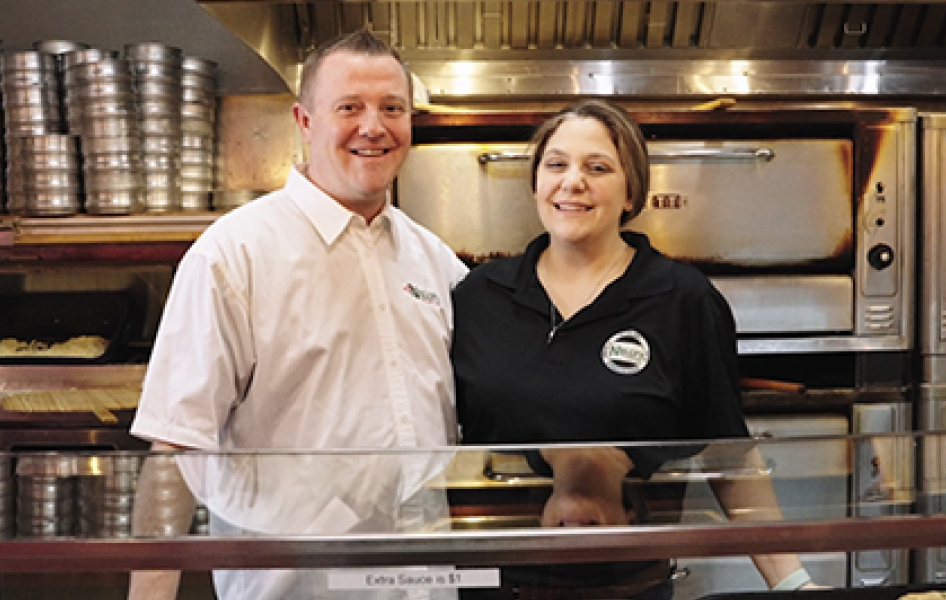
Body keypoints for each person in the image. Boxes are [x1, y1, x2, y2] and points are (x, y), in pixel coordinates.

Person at [127, 28, 468, 600]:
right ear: (304, 122)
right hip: (290, 588)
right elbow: (174, 451)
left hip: (420, 584)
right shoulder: (233, 254)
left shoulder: (433, 259)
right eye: (349, 108)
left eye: (392, 108)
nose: (374, 127)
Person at [451, 99, 818, 599]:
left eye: (597, 167)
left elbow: (729, 457)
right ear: (536, 183)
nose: (572, 181)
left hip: (632, 587)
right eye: (556, 164)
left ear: (631, 193)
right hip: (493, 585)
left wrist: (792, 582)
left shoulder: (682, 300)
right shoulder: (478, 297)